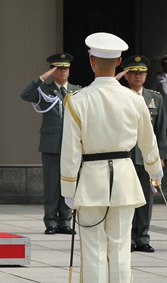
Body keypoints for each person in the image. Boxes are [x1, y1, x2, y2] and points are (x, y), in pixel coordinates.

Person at [60, 32, 164, 282]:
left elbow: (71, 150)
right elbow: (148, 142)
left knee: (93, 249)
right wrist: (154, 171)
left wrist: (68, 188)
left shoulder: (77, 100)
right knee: (119, 248)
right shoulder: (135, 99)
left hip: (91, 181)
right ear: (119, 62)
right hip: (125, 179)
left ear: (91, 61)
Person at [20, 53, 80, 235]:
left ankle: (65, 221)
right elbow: (25, 94)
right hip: (52, 144)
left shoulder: (77, 90)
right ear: (52, 70)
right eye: (58, 68)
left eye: (65, 68)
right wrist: (42, 78)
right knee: (52, 185)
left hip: (72, 144)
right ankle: (51, 222)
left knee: (69, 183)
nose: (63, 71)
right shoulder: (44, 90)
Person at [119, 55, 167, 253]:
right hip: (126, 156)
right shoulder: (119, 96)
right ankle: (128, 237)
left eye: (141, 73)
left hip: (147, 157)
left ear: (146, 75)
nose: (138, 77)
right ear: (126, 76)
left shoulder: (154, 98)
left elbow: (160, 130)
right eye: (133, 73)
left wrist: (161, 156)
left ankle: (142, 238)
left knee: (146, 199)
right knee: (126, 198)